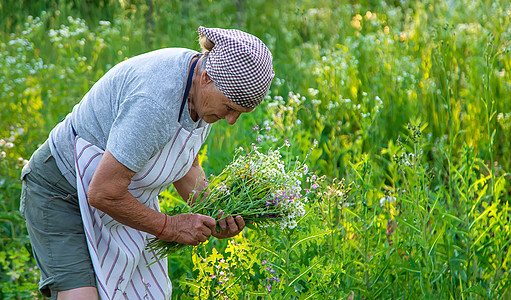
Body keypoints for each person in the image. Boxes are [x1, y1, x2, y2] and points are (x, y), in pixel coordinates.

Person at [19, 26, 274, 299]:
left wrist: (216, 213)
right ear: (207, 79)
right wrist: (171, 227)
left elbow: (185, 163)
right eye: (230, 108)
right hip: (62, 192)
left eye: (241, 112)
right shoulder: (156, 101)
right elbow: (103, 191)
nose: (232, 120)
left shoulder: (200, 90)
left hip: (118, 197)